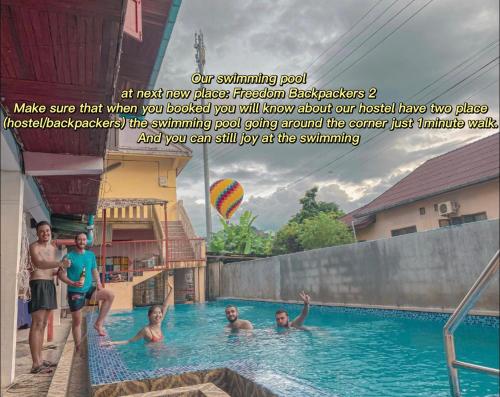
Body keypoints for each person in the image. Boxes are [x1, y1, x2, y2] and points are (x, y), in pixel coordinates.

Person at [57, 233, 114, 353]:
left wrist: (98, 283)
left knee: (110, 295)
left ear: (86, 241)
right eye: (79, 239)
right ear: (75, 241)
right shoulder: (68, 256)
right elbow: (60, 274)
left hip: (89, 288)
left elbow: (94, 270)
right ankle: (78, 347)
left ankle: (98, 324)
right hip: (75, 291)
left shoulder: (90, 255)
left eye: (84, 239)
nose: (82, 241)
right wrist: (72, 283)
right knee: (77, 321)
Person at [28, 221, 71, 374]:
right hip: (38, 284)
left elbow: (51, 269)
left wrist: (61, 270)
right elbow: (39, 263)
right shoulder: (34, 247)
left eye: (47, 231)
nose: (45, 234)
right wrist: (60, 263)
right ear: (37, 233)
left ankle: (40, 360)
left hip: (49, 285)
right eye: (42, 231)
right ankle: (35, 364)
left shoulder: (53, 248)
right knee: (37, 323)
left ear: (50, 232)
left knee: (44, 324)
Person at [107, 281, 171, 345]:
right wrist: (112, 343)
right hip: (153, 354)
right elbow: (130, 341)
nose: (158, 315)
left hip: (163, 350)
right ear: (149, 315)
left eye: (159, 312)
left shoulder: (158, 323)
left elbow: (165, 306)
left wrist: (171, 290)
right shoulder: (146, 330)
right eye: (155, 313)